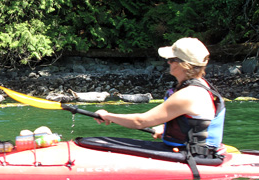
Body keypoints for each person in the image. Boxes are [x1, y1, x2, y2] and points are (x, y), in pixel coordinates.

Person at [94, 37, 226, 177]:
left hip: (195, 157)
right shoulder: (200, 85)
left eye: (171, 59)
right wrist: (164, 128)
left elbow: (141, 121)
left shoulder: (189, 94)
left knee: (99, 143)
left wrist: (107, 116)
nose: (168, 62)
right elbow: (195, 121)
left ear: (183, 65)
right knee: (100, 141)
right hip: (190, 150)